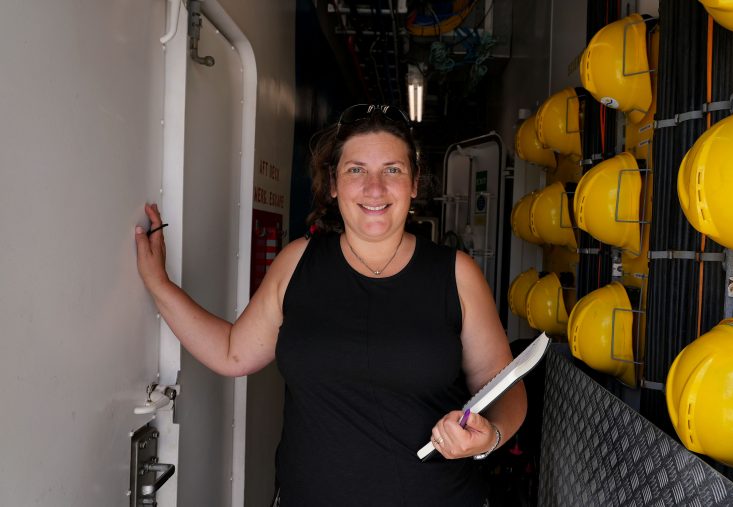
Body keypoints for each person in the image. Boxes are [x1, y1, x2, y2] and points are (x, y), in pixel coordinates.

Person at [135, 104, 527, 507]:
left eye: (392, 169)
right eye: (356, 170)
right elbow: (233, 352)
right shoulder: (298, 262)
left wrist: (488, 436)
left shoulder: (456, 274)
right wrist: (159, 285)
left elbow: (505, 388)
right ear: (334, 184)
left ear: (414, 184)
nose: (374, 188)